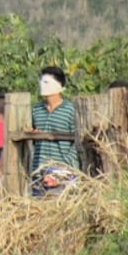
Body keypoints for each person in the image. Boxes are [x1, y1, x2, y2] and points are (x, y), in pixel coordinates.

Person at [30, 66, 80, 195]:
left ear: (59, 85)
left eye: (46, 82)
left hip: (62, 175)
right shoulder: (36, 110)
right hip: (38, 172)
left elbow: (78, 142)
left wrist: (61, 168)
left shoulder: (71, 110)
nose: (42, 84)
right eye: (41, 81)